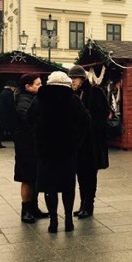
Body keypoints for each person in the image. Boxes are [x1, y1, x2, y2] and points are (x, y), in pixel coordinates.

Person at [27, 71, 90, 233]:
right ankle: (68, 220)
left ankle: (53, 221)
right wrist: (77, 141)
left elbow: (29, 120)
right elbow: (86, 121)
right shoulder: (73, 99)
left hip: (45, 150)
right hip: (67, 150)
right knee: (68, 185)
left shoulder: (39, 98)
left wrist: (38, 138)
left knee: (50, 187)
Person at [68, 65, 111, 219]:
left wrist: (90, 125)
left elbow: (104, 113)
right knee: (80, 174)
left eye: (75, 78)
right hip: (78, 142)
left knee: (90, 175)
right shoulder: (73, 94)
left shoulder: (95, 91)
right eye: (71, 78)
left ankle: (89, 205)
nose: (72, 81)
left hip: (92, 142)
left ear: (82, 78)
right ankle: (82, 204)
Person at [14, 73, 49, 223]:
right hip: (26, 146)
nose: (41, 86)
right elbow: (29, 119)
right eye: (38, 84)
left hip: (34, 145)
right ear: (27, 86)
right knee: (27, 178)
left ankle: (33, 207)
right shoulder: (23, 100)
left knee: (35, 177)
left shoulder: (33, 98)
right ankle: (26, 210)